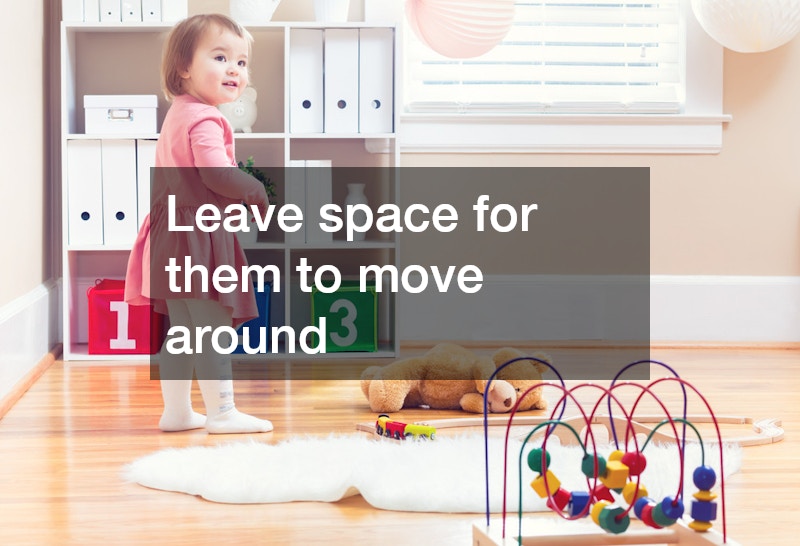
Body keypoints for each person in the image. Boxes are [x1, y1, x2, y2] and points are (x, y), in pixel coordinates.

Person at [125, 13, 272, 434]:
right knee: (211, 330)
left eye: (241, 62)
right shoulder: (207, 119)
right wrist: (254, 189)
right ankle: (222, 412)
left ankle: (177, 412)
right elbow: (216, 174)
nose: (234, 69)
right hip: (197, 239)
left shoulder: (178, 114)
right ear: (184, 67)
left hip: (169, 237)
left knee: (184, 331)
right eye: (221, 56)